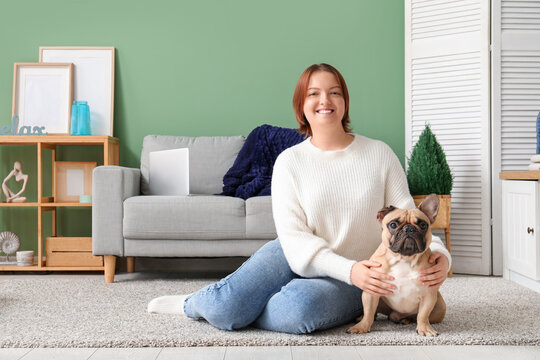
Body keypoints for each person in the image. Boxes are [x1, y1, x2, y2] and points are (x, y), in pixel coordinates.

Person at [147, 63, 451, 334]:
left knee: (295, 313)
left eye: (334, 92)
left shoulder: (380, 154)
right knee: (224, 308)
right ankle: (194, 303)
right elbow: (293, 239)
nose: (325, 101)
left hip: (358, 274)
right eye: (313, 94)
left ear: (345, 102)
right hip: (295, 253)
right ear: (301, 106)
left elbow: (412, 218)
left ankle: (245, 310)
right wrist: (348, 269)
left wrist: (440, 256)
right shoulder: (290, 161)